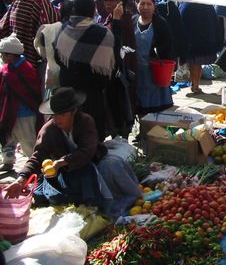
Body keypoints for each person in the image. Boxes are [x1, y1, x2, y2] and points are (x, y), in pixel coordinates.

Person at [5, 87, 141, 217]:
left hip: (92, 161)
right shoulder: (49, 130)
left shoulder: (85, 121)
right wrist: (22, 179)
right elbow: (38, 156)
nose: (57, 119)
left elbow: (87, 151)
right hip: (66, 172)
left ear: (74, 111)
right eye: (55, 115)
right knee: (48, 192)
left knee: (111, 165)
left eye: (62, 114)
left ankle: (117, 202)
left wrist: (63, 161)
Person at [54, 0, 115, 141]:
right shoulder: (103, 34)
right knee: (92, 134)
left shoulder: (63, 29)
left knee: (71, 133)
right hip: (91, 93)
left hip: (68, 91)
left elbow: (58, 58)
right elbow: (107, 71)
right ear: (93, 10)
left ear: (74, 9)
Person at [99, 0, 137, 136]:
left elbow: (120, 45)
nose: (108, 3)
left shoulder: (125, 19)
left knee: (123, 107)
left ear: (120, 1)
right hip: (110, 71)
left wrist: (117, 21)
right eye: (106, 0)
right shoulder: (108, 18)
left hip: (123, 72)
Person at [0, 0, 60, 68]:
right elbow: (4, 25)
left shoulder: (41, 4)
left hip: (33, 63)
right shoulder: (17, 2)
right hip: (14, 61)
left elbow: (48, 35)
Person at [0, 34, 42, 172]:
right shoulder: (7, 68)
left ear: (13, 55)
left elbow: (31, 92)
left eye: (4, 54)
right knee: (8, 139)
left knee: (28, 141)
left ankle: (35, 165)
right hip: (9, 112)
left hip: (25, 113)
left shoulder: (26, 69)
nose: (2, 57)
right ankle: (8, 161)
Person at [133, 0, 173, 114]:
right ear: (137, 4)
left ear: (154, 6)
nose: (145, 7)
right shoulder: (133, 21)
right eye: (142, 3)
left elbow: (168, 47)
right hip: (136, 72)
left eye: (149, 4)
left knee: (155, 106)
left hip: (155, 72)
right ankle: (142, 130)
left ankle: (153, 130)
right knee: (139, 105)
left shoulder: (160, 24)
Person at [180, 1, 221, 94]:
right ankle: (195, 86)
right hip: (202, 39)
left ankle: (193, 84)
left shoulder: (186, 4)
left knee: (193, 63)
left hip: (189, 38)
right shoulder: (206, 5)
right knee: (197, 64)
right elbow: (213, 22)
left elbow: (181, 18)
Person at [157, 0, 186, 65]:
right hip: (173, 44)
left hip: (160, 44)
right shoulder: (174, 7)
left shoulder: (158, 6)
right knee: (170, 68)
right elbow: (180, 28)